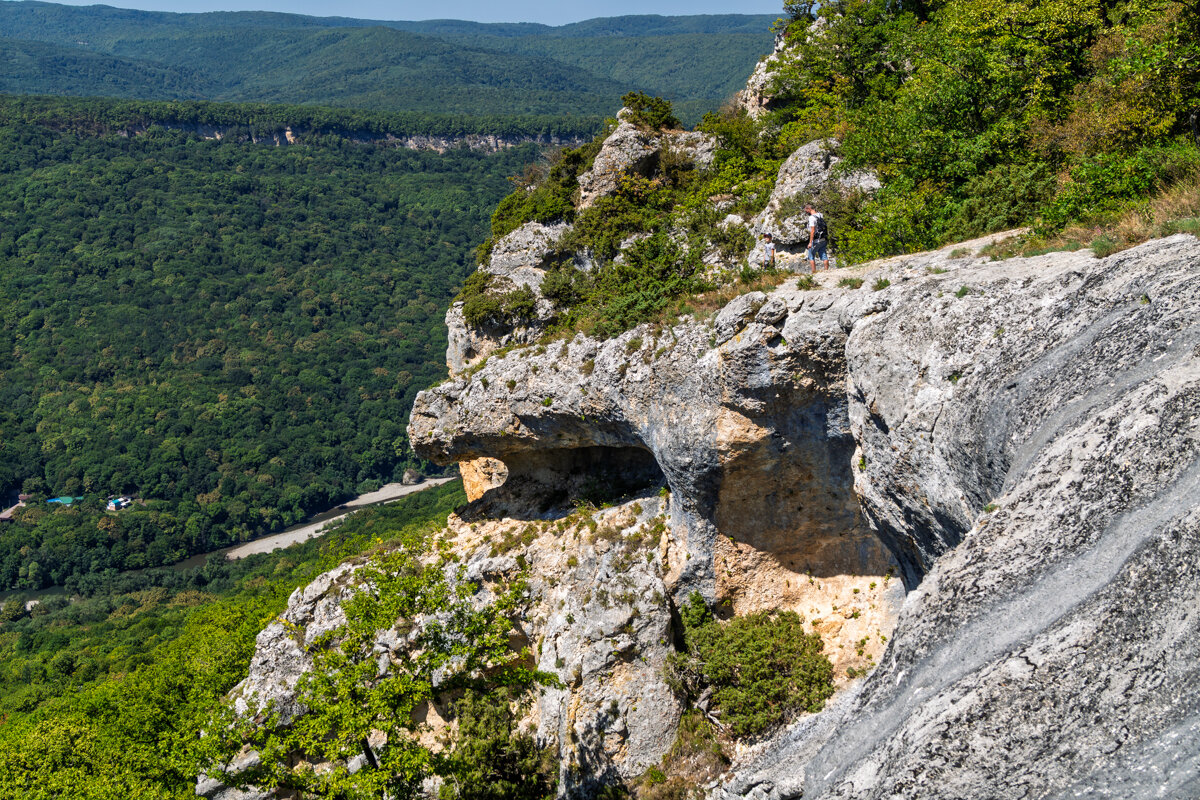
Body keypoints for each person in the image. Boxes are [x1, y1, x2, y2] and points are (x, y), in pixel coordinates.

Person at [804, 204, 830, 273]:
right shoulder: (820, 215)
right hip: (823, 239)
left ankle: (814, 273)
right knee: (823, 255)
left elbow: (812, 231)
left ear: (809, 209)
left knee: (811, 256)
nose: (806, 212)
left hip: (816, 240)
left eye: (806, 210)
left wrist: (810, 242)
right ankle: (826, 271)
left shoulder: (811, 218)